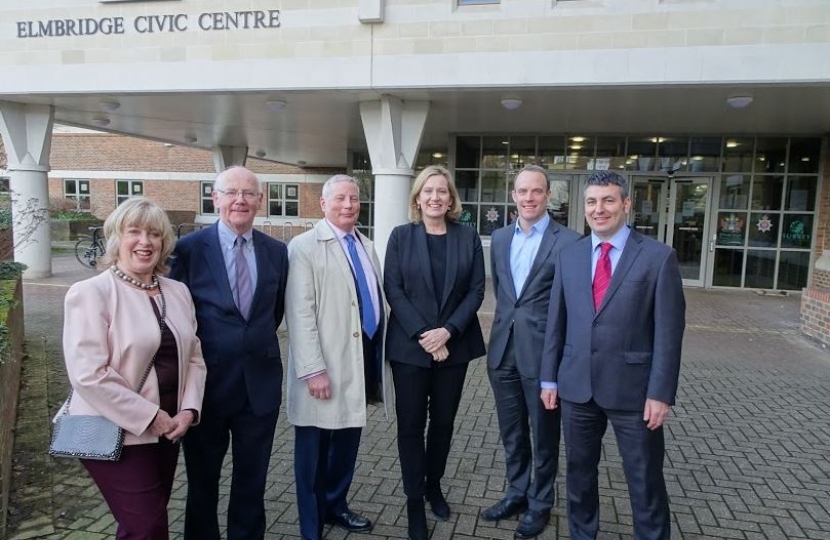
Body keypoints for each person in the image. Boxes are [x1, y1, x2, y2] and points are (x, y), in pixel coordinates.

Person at [540, 170, 685, 540]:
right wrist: (549, 378)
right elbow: (555, 322)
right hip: (577, 387)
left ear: (626, 204)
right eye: (591, 201)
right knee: (579, 475)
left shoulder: (657, 257)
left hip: (634, 392)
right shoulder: (569, 256)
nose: (599, 209)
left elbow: (669, 333)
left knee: (645, 479)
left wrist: (660, 393)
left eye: (607, 200)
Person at [61, 197, 206, 540]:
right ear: (116, 238)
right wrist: (150, 415)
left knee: (140, 525)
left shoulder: (177, 291)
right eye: (135, 232)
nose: (145, 242)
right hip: (115, 431)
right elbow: (89, 374)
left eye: (154, 234)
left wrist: (189, 409)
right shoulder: (91, 293)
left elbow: (195, 357)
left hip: (168, 429)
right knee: (149, 527)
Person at [169, 166, 289, 540]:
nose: (240, 200)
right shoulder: (188, 249)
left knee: (252, 482)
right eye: (231, 192)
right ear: (215, 198)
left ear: (259, 201)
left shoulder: (277, 252)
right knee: (203, 482)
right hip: (206, 387)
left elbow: (274, 311)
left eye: (249, 193)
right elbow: (176, 315)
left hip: (260, 385)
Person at [285, 174, 391, 540]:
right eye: (341, 199)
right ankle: (311, 525)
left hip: (360, 359)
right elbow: (300, 312)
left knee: (347, 443)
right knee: (314, 452)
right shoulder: (304, 246)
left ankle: (336, 504)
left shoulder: (366, 244)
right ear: (323, 204)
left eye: (354, 198)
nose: (349, 205)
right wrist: (313, 369)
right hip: (324, 365)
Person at [384, 165, 486, 540]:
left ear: (451, 198)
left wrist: (447, 332)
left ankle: (434, 485)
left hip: (453, 349)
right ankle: (414, 501)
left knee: (442, 423)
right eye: (428, 191)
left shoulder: (468, 237)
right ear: (417, 197)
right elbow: (393, 290)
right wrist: (426, 335)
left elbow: (476, 290)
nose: (435, 198)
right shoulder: (400, 237)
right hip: (410, 350)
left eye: (442, 191)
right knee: (411, 427)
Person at [483, 165, 580, 539]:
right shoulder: (502, 237)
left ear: (547, 195)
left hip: (542, 357)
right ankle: (517, 492)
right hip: (503, 352)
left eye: (536, 191)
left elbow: (571, 306)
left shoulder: (569, 242)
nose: (528, 198)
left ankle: (541, 503)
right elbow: (505, 297)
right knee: (512, 433)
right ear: (513, 196)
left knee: (543, 436)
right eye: (522, 191)